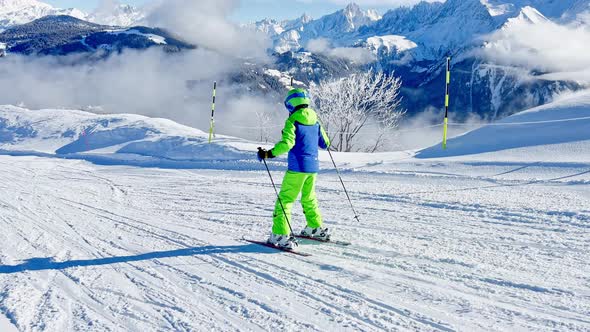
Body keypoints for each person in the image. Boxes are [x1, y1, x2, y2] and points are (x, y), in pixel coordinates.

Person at [257, 88, 331, 249]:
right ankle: (315, 227)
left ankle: (280, 234)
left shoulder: (293, 121)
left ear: (290, 105)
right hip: (313, 167)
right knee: (309, 198)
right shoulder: (315, 119)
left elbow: (287, 144)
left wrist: (268, 154)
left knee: (285, 200)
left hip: (297, 166)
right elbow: (325, 143)